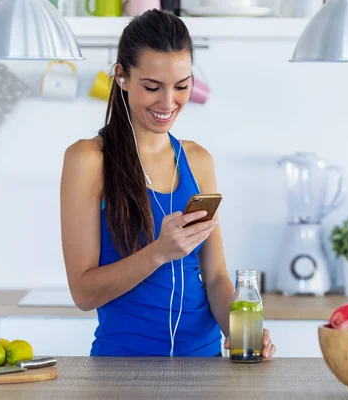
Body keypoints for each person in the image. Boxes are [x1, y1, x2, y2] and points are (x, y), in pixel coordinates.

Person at [60, 9, 276, 360]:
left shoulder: (198, 160)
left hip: (205, 367)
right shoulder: (88, 160)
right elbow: (84, 293)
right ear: (122, 77)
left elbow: (216, 276)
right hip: (123, 371)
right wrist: (159, 252)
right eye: (152, 86)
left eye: (182, 85)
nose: (168, 102)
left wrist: (238, 330)